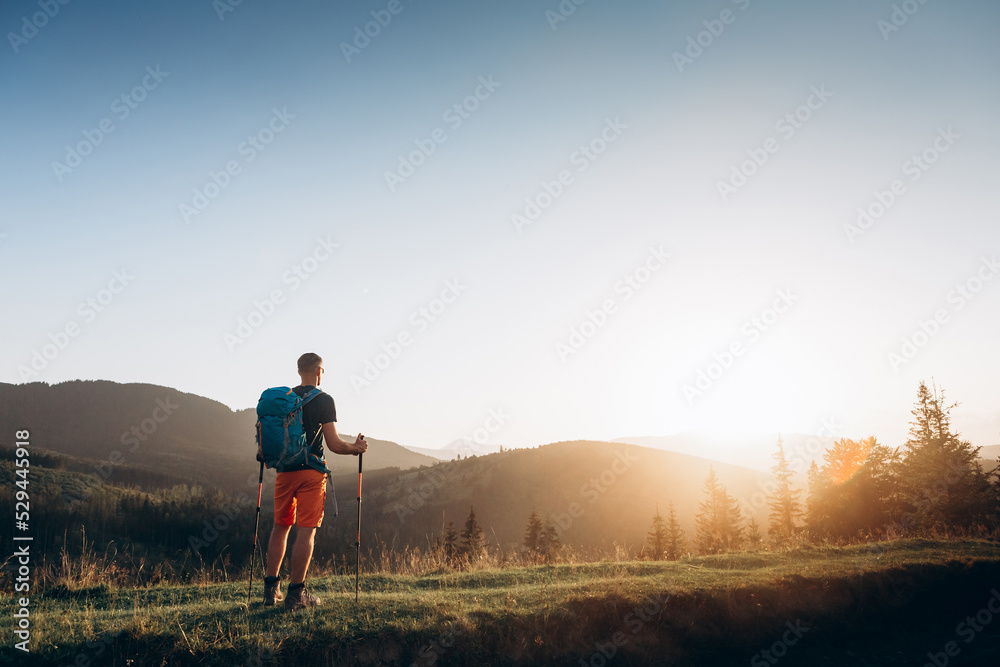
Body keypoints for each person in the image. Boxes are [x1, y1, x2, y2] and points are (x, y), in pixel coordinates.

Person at [263, 352, 367, 610]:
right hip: (311, 472)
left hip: (284, 471)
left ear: (299, 371)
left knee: (280, 527)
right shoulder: (324, 400)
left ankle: (270, 590)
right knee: (306, 531)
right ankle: (296, 595)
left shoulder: (283, 399)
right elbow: (333, 444)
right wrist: (356, 448)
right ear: (319, 371)